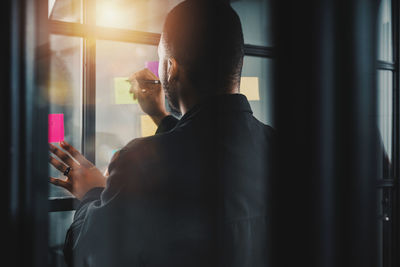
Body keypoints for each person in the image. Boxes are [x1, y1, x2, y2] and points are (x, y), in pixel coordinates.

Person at [49, 1, 275, 266]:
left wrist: (92, 193)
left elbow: (87, 254)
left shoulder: (141, 162)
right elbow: (205, 153)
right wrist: (161, 116)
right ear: (236, 63)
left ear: (171, 68)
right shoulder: (276, 145)